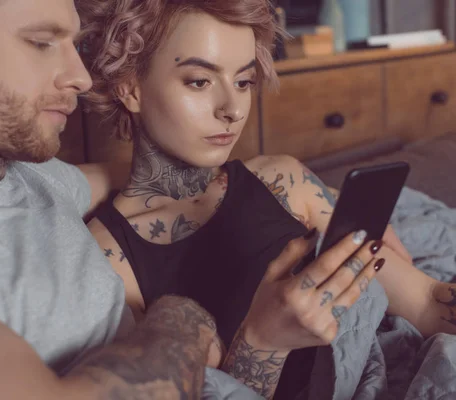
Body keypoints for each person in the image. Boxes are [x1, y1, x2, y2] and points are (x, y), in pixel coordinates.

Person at [0, 0, 237, 399]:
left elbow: (129, 176)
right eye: (42, 42)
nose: (81, 78)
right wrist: (180, 321)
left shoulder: (38, 177)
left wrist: (243, 169)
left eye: (73, 44)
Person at [80, 0, 456, 398]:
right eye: (199, 81)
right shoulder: (107, 258)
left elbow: (426, 300)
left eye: (243, 82)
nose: (232, 109)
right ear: (130, 87)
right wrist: (263, 342)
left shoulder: (284, 180)